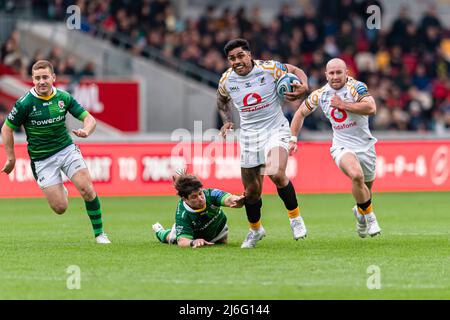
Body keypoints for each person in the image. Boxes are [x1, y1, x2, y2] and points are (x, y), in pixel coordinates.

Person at [1, 60, 110, 244]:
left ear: (53, 77)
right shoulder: (25, 103)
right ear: (33, 80)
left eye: (45, 77)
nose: (41, 81)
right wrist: (11, 158)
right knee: (60, 208)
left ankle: (100, 234)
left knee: (87, 189)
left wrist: (86, 130)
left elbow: (89, 119)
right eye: (37, 78)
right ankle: (61, 190)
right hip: (42, 159)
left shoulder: (63, 98)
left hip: (66, 149)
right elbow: (6, 129)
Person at [216, 38, 309, 248]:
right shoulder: (226, 80)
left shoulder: (270, 68)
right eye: (232, 58)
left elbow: (295, 69)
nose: (236, 61)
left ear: (249, 55)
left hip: (275, 130)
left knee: (276, 172)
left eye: (240, 56)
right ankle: (255, 230)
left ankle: (295, 218)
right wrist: (228, 120)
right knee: (251, 192)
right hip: (249, 136)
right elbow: (221, 101)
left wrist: (304, 86)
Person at [289, 58, 382, 238]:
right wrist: (293, 138)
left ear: (346, 73)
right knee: (356, 175)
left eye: (339, 72)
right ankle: (370, 218)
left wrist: (343, 105)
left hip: (366, 146)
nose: (335, 76)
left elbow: (371, 108)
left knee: (365, 188)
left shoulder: (356, 87)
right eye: (331, 73)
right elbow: (300, 113)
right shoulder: (320, 94)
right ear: (326, 75)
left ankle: (360, 212)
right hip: (341, 146)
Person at [152, 173, 245, 248]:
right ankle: (160, 232)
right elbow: (183, 241)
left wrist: (236, 200)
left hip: (219, 230)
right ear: (184, 199)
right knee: (173, 238)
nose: (200, 198)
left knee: (222, 246)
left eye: (200, 193)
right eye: (194, 197)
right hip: (194, 236)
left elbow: (228, 199)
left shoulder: (210, 194)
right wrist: (193, 242)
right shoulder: (182, 214)